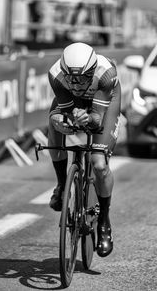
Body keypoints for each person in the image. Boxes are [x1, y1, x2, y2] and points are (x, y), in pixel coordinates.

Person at [47, 42, 121, 258]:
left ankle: (104, 221)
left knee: (98, 163)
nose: (77, 84)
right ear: (63, 72)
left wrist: (87, 118)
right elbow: (67, 112)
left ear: (92, 70)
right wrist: (63, 119)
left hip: (104, 102)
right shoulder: (55, 75)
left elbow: (97, 121)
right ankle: (62, 186)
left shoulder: (105, 74)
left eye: (83, 78)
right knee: (54, 125)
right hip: (74, 102)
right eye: (72, 78)